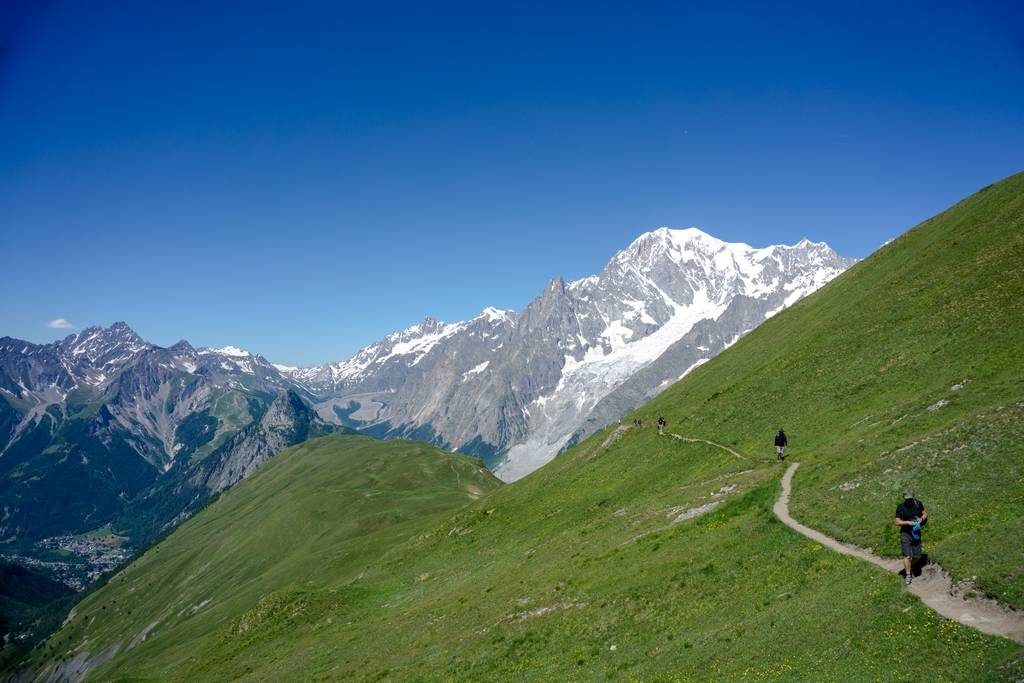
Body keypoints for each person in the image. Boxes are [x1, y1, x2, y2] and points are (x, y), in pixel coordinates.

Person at [895, 491, 928, 585]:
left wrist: (921, 519)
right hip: (905, 533)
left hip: (916, 533)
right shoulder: (901, 507)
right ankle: (908, 575)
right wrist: (908, 523)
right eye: (907, 499)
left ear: (913, 497)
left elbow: (925, 513)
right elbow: (897, 522)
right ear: (904, 498)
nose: (908, 501)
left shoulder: (918, 504)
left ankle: (909, 566)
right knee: (907, 556)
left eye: (910, 499)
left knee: (917, 556)